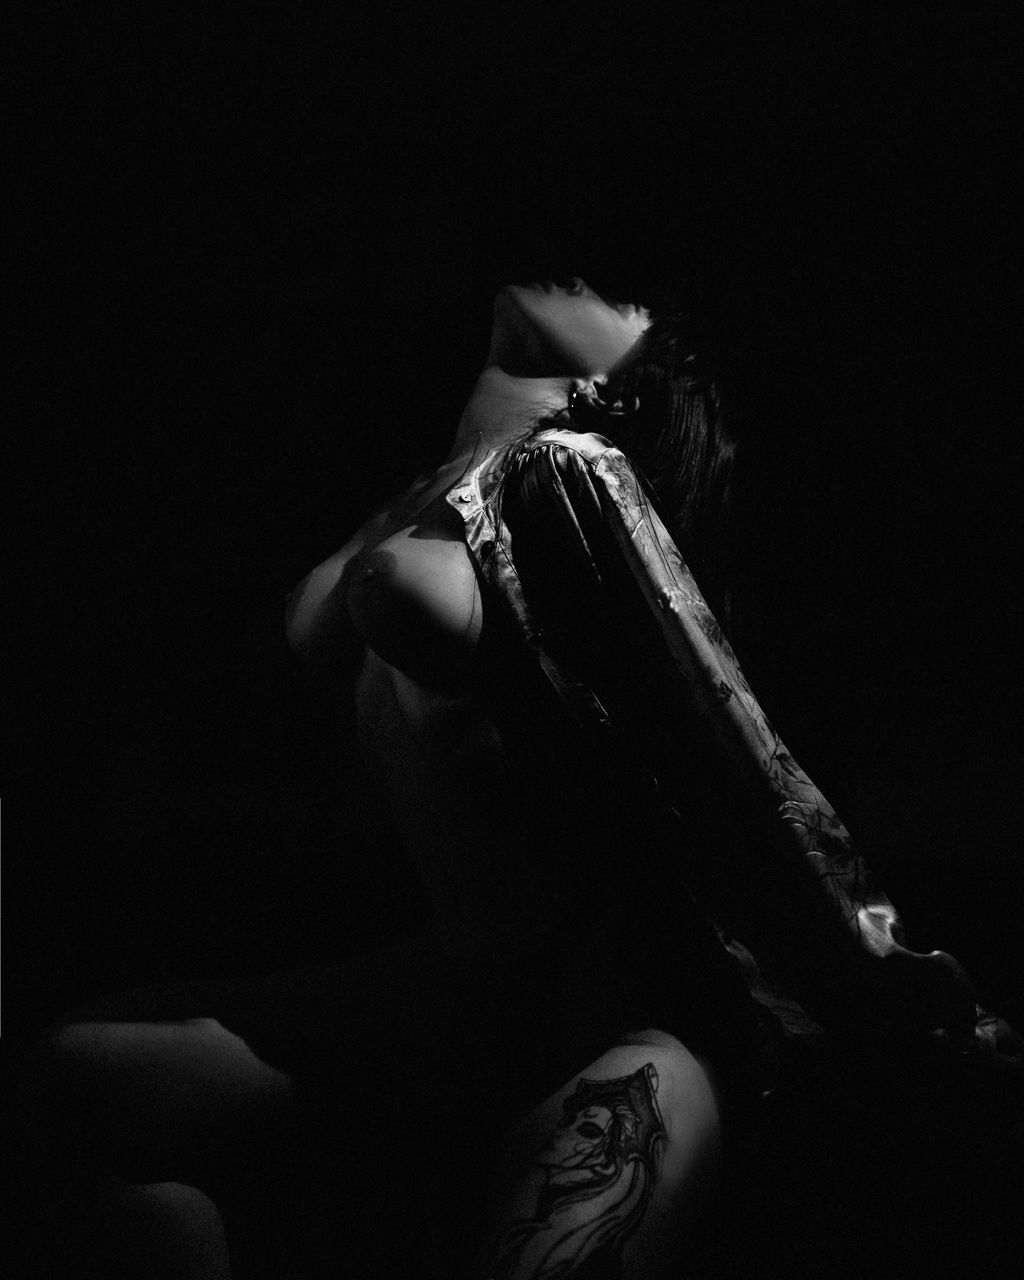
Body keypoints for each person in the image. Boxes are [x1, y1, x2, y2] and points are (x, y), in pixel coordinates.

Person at [12, 277, 1018, 1280]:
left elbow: (736, 751)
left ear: (636, 379)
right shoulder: (427, 488)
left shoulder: (574, 472)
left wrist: (918, 1004)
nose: (569, 270)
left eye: (616, 285)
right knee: (74, 1082)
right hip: (451, 990)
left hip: (619, 1014)